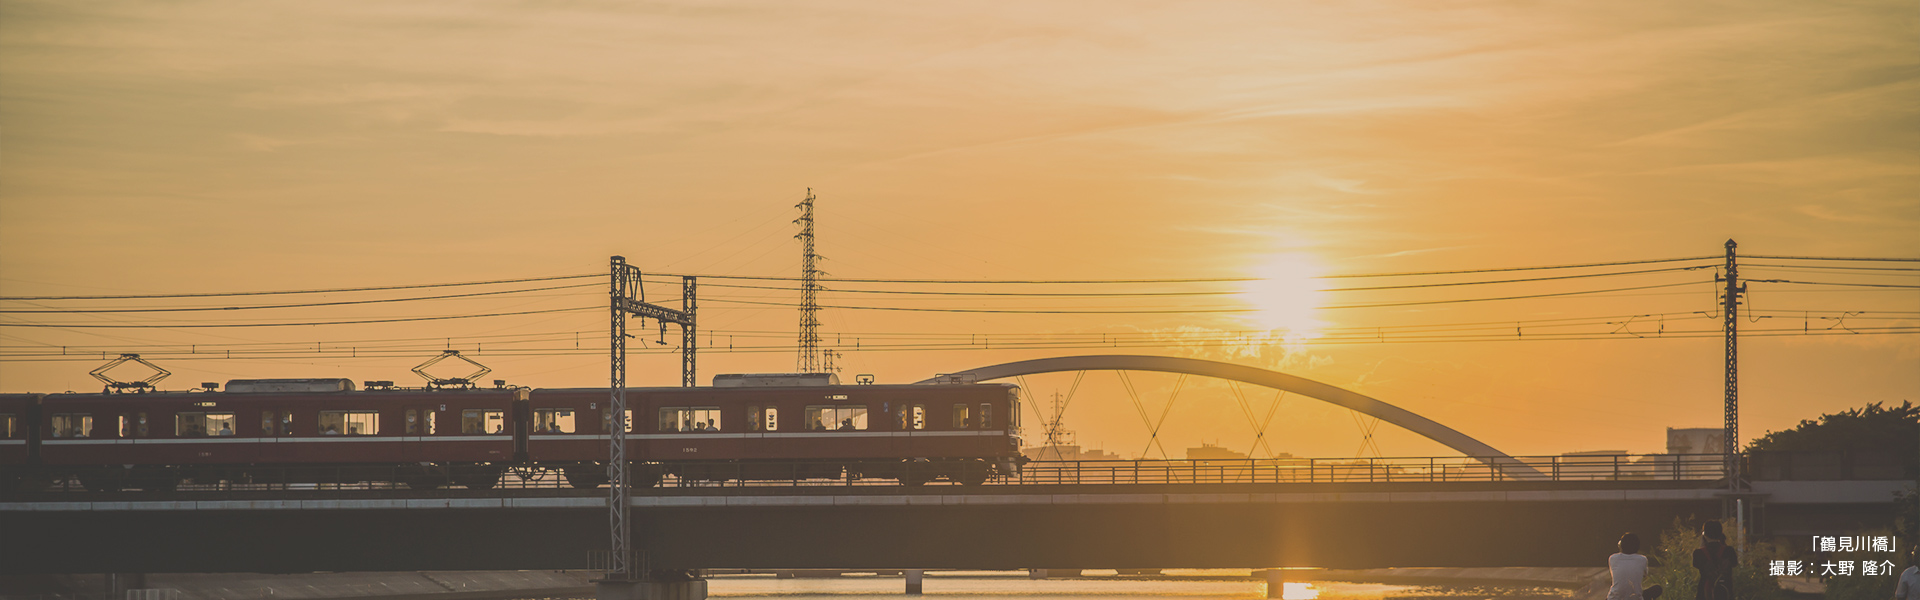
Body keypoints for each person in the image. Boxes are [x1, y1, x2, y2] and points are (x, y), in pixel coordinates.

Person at [1609, 532, 1663, 600]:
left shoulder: (1613, 558)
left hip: (1614, 598)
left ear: (1621, 545)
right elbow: (1645, 575)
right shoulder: (1642, 559)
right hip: (1635, 597)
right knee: (1657, 588)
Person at [1692, 521, 1735, 600]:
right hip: (1725, 591)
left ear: (1704, 534)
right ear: (1720, 534)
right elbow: (1734, 564)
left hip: (1704, 592)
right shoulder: (1729, 551)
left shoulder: (1698, 553)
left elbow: (1697, 565)